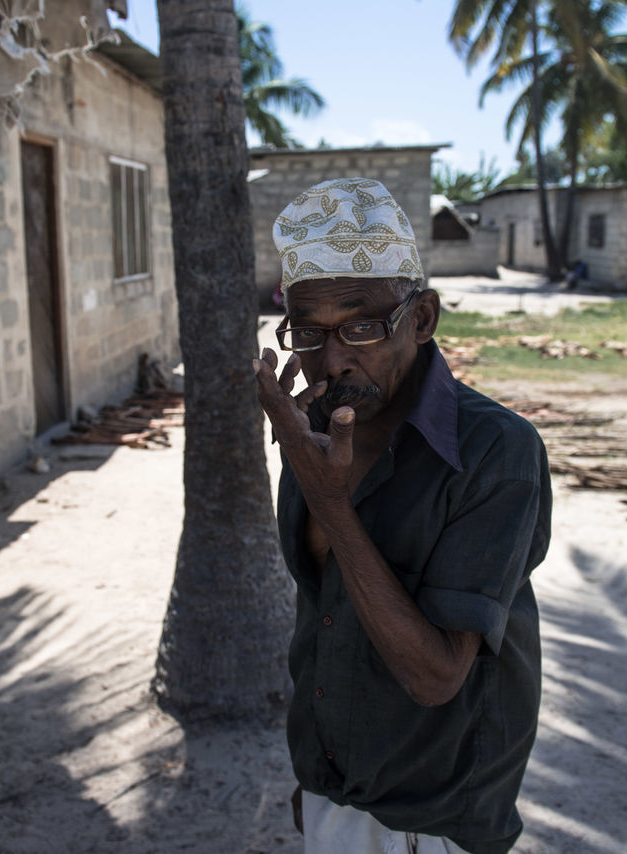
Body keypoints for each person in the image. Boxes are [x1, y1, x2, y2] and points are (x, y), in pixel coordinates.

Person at [252, 178, 552, 854]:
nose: (331, 360)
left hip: (431, 815)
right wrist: (319, 775)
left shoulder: (495, 451)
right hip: (334, 787)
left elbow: (436, 674)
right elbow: (324, 613)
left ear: (421, 319)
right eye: (308, 331)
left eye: (361, 326)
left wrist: (328, 499)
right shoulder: (316, 429)